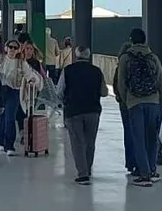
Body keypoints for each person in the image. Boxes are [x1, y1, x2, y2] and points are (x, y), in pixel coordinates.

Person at [115, 28, 162, 187]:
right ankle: (152, 170)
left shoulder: (125, 58)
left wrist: (126, 100)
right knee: (152, 137)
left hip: (134, 103)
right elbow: (160, 79)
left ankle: (144, 174)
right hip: (153, 102)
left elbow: (121, 83)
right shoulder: (153, 57)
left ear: (131, 40)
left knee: (138, 138)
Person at [57, 46, 109, 185]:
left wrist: (65, 101)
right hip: (93, 110)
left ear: (76, 55)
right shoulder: (97, 71)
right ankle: (88, 168)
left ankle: (83, 174)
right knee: (90, 142)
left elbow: (59, 91)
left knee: (77, 143)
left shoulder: (68, 70)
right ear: (88, 56)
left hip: (73, 111)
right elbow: (104, 92)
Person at [0, 39, 42, 156]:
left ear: (18, 50)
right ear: (6, 48)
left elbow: (30, 74)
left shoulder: (21, 63)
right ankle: (0, 141)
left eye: (15, 48)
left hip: (14, 91)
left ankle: (9, 145)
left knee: (10, 117)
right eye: (10, 47)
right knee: (1, 116)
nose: (12, 49)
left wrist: (34, 81)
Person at [113, 41, 136, 175]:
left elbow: (117, 85)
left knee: (128, 132)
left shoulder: (120, 66)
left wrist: (121, 98)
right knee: (139, 132)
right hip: (138, 101)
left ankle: (130, 162)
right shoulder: (136, 63)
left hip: (125, 104)